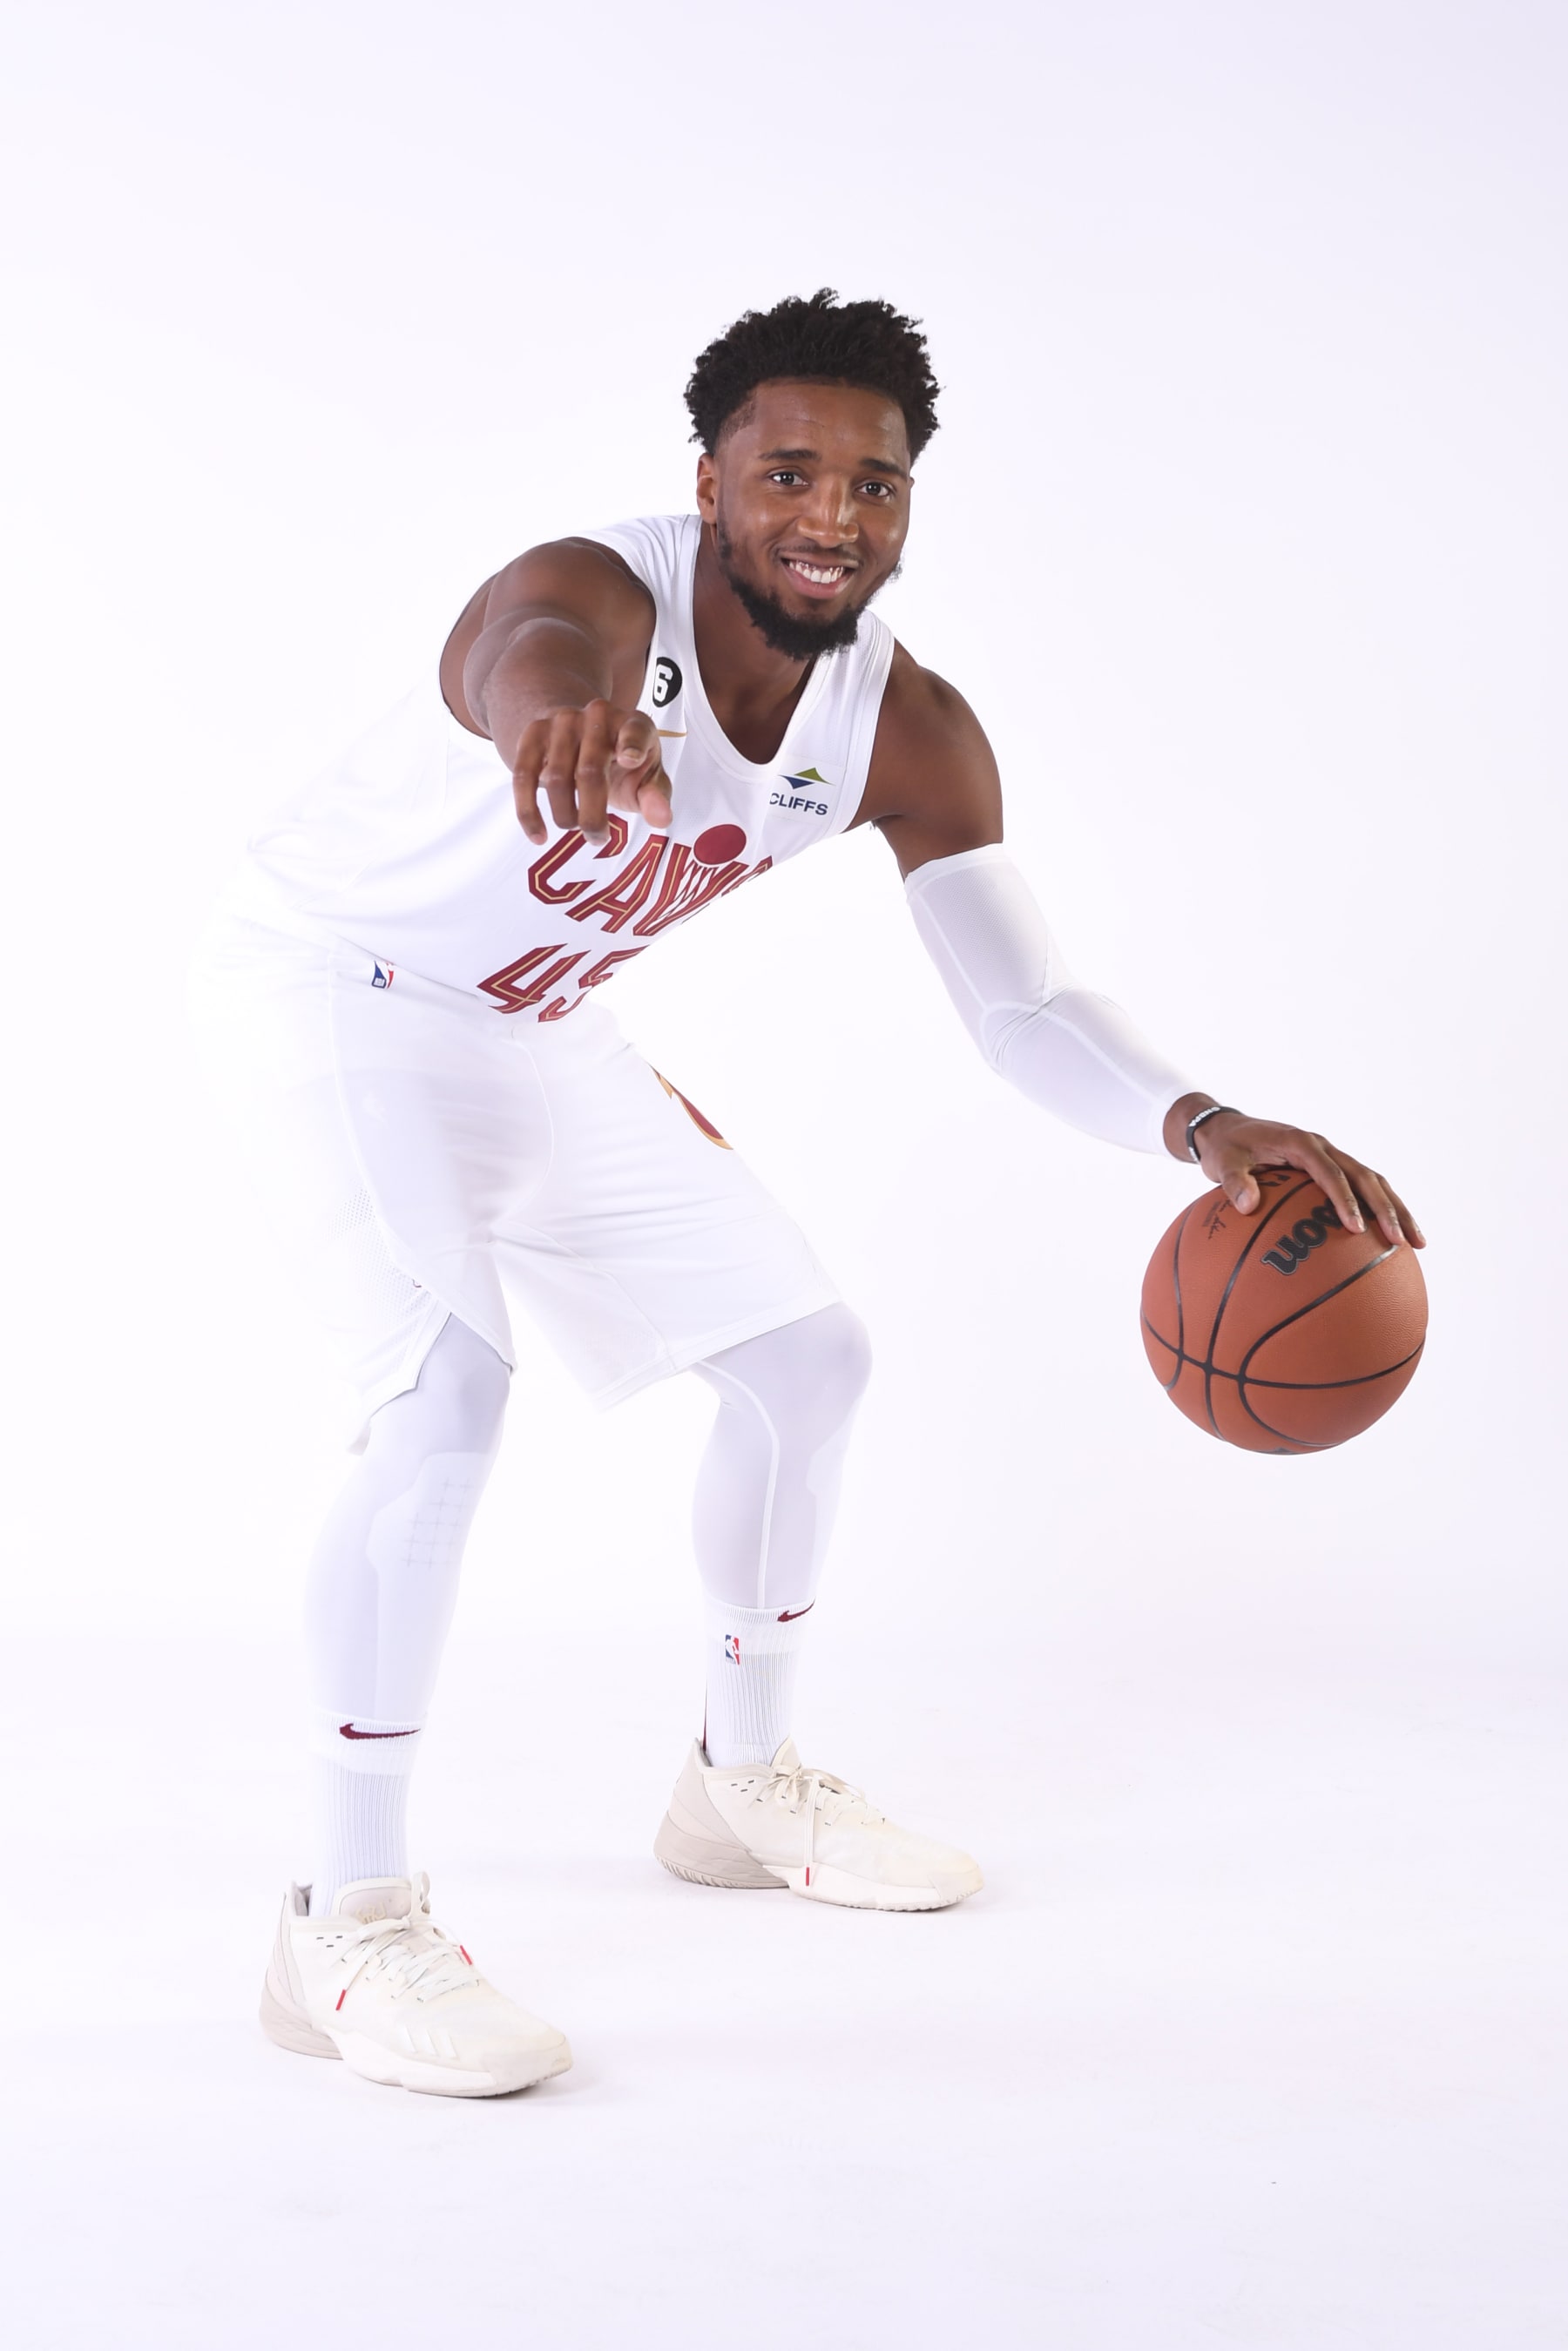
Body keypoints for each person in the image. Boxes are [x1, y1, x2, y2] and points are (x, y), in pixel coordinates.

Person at [191, 288, 1423, 2099]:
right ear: (709, 483)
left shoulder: (901, 726)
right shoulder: (594, 597)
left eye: (877, 484)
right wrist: (563, 720)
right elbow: (517, 649)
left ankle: (734, 1784)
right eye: (788, 472)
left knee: (809, 1364)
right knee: (443, 1399)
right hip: (342, 991)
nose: (833, 514)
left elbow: (1020, 1003)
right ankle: (346, 1919)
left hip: (536, 1029)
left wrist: (1201, 1121)